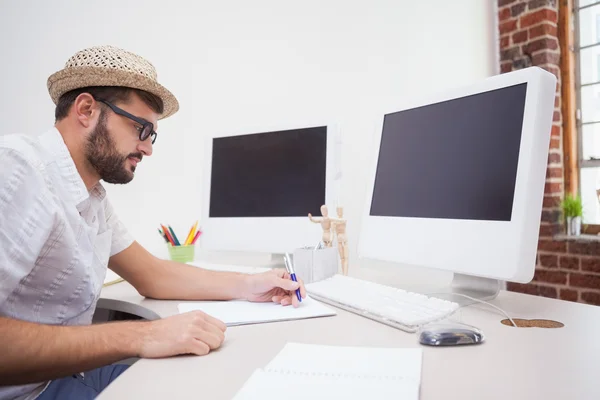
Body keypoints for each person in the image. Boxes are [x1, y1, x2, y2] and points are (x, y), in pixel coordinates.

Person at [0, 45, 306, 400]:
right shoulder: (18, 170)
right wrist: (142, 336)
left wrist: (250, 284)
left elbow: (154, 275)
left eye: (151, 134)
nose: (147, 149)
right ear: (86, 109)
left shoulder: (92, 196)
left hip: (66, 377)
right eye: (140, 129)